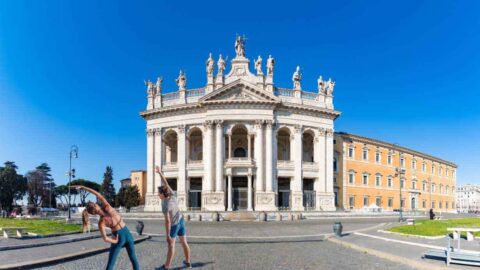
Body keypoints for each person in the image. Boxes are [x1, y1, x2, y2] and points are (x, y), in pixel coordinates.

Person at [72, 185, 140, 270]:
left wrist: (115, 240)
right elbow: (97, 193)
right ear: (95, 204)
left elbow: (105, 238)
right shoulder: (107, 206)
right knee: (134, 259)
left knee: (111, 264)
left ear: (92, 213)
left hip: (118, 237)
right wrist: (83, 187)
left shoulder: (101, 222)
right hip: (127, 233)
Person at [156, 166, 191, 270]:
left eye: (159, 193)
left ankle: (166, 267)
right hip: (181, 220)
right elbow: (166, 183)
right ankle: (188, 263)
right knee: (184, 242)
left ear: (163, 194)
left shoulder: (165, 205)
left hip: (175, 225)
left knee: (171, 246)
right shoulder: (171, 194)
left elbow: (167, 221)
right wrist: (160, 173)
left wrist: (168, 235)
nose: (158, 194)